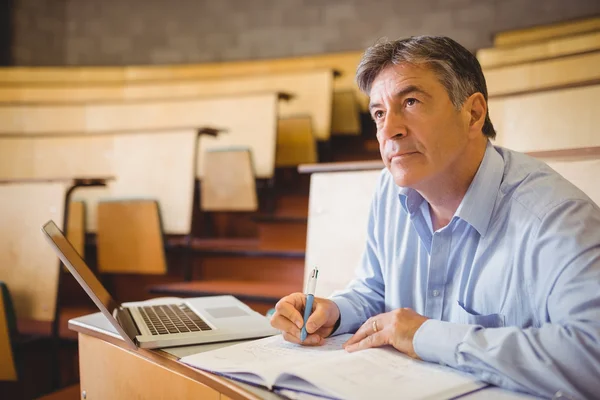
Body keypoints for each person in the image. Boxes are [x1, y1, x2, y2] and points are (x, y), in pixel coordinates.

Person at [270, 35, 600, 399]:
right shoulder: (389, 189)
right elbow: (375, 290)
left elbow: (591, 354)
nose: (389, 129)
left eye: (410, 102)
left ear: (473, 113)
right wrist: (334, 313)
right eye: (379, 112)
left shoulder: (556, 217)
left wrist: (424, 335)